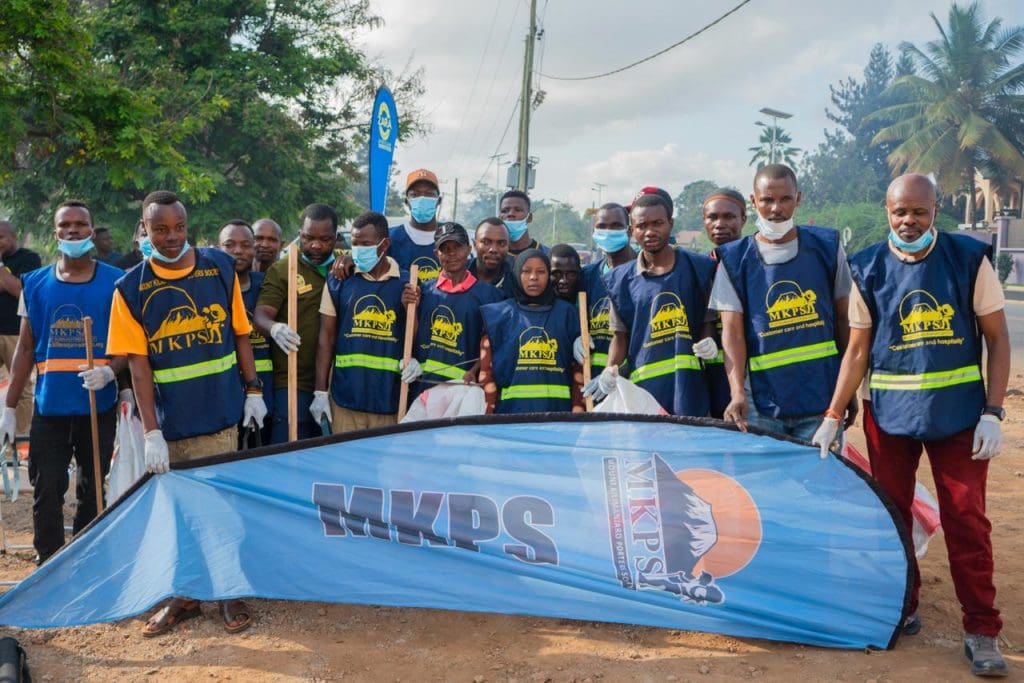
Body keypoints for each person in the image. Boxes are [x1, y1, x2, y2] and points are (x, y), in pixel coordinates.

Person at [811, 174, 1010, 677]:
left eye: (919, 212)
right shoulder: (868, 267)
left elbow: (998, 340)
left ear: (936, 210)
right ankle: (905, 605)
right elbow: (857, 348)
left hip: (959, 417)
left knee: (967, 519)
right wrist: (835, 415)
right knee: (893, 518)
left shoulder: (968, 259)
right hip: (891, 419)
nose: (909, 221)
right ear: (887, 211)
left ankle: (981, 628)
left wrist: (993, 411)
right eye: (900, 212)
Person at [106, 190, 265, 637]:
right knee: (179, 510)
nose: (170, 237)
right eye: (159, 229)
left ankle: (229, 591)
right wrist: (152, 432)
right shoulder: (130, 287)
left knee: (218, 507)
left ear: (187, 225)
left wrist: (253, 389)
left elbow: (240, 333)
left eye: (178, 227)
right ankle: (186, 593)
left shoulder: (218, 266)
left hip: (220, 412)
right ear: (144, 230)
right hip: (172, 421)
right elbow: (138, 366)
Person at [0, 200, 126, 565]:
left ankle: (87, 555)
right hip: (50, 406)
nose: (73, 231)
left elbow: (129, 346)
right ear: (55, 233)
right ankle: (50, 559)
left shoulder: (114, 282)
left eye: (80, 224)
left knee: (91, 487)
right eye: (65, 225)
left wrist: (109, 371)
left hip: (96, 405)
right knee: (47, 487)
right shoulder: (35, 283)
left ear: (91, 230)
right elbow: (25, 348)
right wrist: (9, 407)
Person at [712, 164, 853, 440]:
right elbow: (733, 333)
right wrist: (737, 391)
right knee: (764, 482)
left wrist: (845, 392)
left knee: (820, 481)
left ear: (797, 199)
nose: (776, 208)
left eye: (785, 199)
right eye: (767, 199)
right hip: (762, 403)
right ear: (753, 202)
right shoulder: (733, 259)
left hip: (821, 401)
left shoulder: (827, 247)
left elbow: (844, 319)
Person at [591, 193, 718, 416]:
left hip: (690, 388)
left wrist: (709, 340)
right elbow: (620, 336)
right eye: (642, 225)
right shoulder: (620, 280)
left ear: (671, 223)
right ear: (632, 231)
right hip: (644, 393)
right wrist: (610, 370)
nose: (650, 232)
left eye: (658, 223)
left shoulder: (697, 267)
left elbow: (707, 320)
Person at [311, 211, 405, 433]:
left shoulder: (406, 284)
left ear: (384, 245)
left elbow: (415, 334)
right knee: (344, 465)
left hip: (389, 401)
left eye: (366, 244)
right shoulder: (339, 281)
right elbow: (326, 337)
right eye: (355, 243)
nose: (359, 249)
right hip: (345, 399)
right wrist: (320, 391)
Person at [254, 204, 337, 442]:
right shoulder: (284, 269)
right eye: (309, 238)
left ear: (335, 238)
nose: (316, 245)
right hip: (293, 380)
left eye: (324, 239)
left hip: (335, 384)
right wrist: (275, 327)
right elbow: (261, 315)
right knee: (289, 450)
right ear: (300, 235)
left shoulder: (343, 268)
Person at [399, 222, 503, 397]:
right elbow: (412, 337)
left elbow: (491, 348)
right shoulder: (422, 292)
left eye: (458, 247)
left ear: (469, 249)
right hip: (422, 391)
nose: (452, 254)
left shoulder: (490, 297)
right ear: (436, 254)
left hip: (464, 394)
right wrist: (409, 308)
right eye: (445, 248)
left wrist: (475, 370)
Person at [478, 249, 583, 413]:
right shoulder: (498, 315)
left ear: (549, 276)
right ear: (516, 273)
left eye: (541, 271)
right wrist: (488, 417)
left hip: (559, 420)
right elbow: (487, 375)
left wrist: (578, 414)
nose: (534, 277)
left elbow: (579, 374)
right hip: (509, 420)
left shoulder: (567, 314)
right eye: (526, 271)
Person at [219, 220, 274, 446]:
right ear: (218, 248)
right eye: (229, 245)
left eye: (245, 245)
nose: (238, 251)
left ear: (254, 249)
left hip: (266, 389)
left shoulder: (267, 285)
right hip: (226, 391)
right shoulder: (209, 288)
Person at [701, 188, 747, 418]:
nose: (720, 224)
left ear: (743, 219)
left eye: (729, 217)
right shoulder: (700, 268)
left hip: (748, 375)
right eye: (713, 217)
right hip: (711, 375)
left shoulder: (753, 262)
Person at [580, 203, 636, 374]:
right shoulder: (588, 275)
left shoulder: (644, 271)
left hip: (635, 377)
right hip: (596, 379)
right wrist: (577, 335)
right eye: (602, 227)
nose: (609, 232)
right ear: (594, 232)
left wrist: (621, 370)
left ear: (629, 230)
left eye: (616, 226)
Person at [0, 220, 42, 437]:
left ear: (13, 236)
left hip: (16, 332)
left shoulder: (29, 259)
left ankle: (21, 437)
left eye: (1, 238)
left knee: (21, 386)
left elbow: (20, 292)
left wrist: (2, 272)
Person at [387, 169, 443, 284]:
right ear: (406, 202)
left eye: (430, 194)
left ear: (439, 201)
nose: (422, 199)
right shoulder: (390, 238)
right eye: (415, 194)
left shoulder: (451, 236)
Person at [468, 217, 513, 296]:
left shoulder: (516, 281)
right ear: (475, 244)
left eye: (501, 243)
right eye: (486, 242)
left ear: (508, 247)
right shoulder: (458, 273)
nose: (493, 249)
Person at [499, 190, 548, 256]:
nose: (510, 214)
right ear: (499, 218)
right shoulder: (495, 255)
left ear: (529, 218)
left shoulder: (546, 254)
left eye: (518, 210)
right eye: (505, 211)